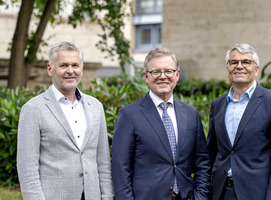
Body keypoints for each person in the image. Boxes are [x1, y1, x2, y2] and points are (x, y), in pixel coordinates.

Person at [17, 41, 113, 200]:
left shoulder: (96, 107)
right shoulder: (33, 109)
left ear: (81, 69)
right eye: (63, 65)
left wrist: (107, 197)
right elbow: (27, 169)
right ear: (50, 69)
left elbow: (102, 162)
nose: (70, 71)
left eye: (75, 65)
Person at [112, 47, 211, 200]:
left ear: (177, 75)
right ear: (146, 76)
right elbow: (120, 170)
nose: (162, 76)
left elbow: (203, 164)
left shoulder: (191, 114)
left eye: (168, 71)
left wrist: (200, 197)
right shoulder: (129, 115)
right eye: (155, 72)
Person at [207, 43, 271, 200]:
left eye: (246, 62)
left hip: (257, 194)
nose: (239, 66)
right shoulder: (217, 105)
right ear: (228, 70)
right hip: (220, 193)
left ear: (256, 70)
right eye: (234, 62)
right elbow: (211, 153)